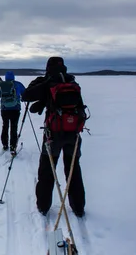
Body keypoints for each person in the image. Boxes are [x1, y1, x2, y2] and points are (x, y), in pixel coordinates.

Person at [21, 57, 86, 217]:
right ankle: (78, 207)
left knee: (47, 169)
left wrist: (44, 84)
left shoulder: (48, 82)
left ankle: (43, 206)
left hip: (53, 134)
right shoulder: (71, 82)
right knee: (73, 169)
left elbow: (26, 95)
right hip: (73, 133)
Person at [0, 71, 26, 155]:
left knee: (5, 126)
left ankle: (5, 145)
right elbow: (25, 93)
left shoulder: (2, 85)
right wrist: (24, 98)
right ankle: (13, 146)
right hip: (15, 109)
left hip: (4, 110)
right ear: (13, 77)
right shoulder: (18, 84)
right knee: (14, 127)